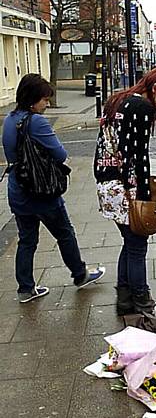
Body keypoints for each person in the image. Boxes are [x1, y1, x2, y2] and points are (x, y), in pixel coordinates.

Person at [2, 73, 105, 303]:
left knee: (27, 240)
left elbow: (11, 154)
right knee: (64, 233)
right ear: (32, 100)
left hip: (18, 190)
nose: (47, 105)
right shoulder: (36, 121)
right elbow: (60, 154)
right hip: (42, 190)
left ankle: (25, 289)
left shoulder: (9, 119)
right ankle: (80, 275)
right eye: (45, 100)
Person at [93, 67, 156, 316]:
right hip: (123, 186)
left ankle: (125, 299)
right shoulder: (142, 107)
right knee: (138, 244)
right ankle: (141, 298)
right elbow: (138, 157)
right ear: (155, 89)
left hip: (106, 182)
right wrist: (144, 195)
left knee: (129, 243)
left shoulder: (119, 100)